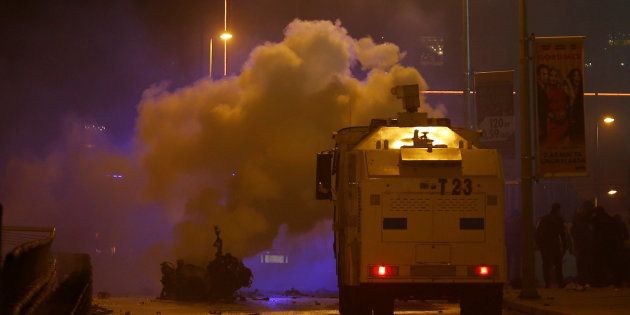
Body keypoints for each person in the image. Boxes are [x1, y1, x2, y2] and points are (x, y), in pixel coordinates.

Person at [536, 203, 569, 288]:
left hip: (545, 245)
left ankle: (547, 283)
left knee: (546, 264)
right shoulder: (559, 219)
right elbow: (562, 234)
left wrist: (538, 244)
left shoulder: (544, 219)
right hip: (554, 244)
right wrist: (565, 245)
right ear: (558, 210)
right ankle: (560, 282)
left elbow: (538, 232)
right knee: (558, 264)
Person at [589, 206, 617, 286]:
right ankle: (612, 281)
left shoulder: (597, 219)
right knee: (608, 263)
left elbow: (586, 220)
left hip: (599, 245)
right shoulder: (609, 219)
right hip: (608, 245)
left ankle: (599, 281)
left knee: (599, 264)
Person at [570, 200, 594, 286]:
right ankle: (585, 280)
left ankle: (583, 280)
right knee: (585, 262)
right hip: (584, 244)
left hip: (582, 244)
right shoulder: (588, 219)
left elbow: (573, 231)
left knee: (582, 263)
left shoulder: (579, 219)